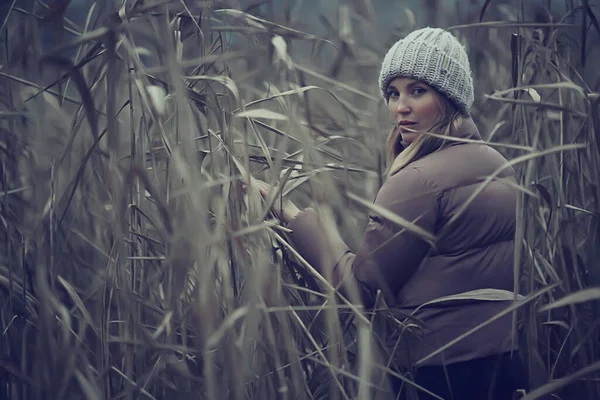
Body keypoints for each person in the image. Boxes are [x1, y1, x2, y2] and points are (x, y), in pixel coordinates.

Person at [252, 27, 529, 399]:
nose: (401, 106)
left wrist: (293, 215)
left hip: (436, 374)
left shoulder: (418, 179)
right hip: (503, 364)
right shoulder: (498, 164)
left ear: (450, 97)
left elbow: (360, 291)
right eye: (393, 93)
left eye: (418, 90)